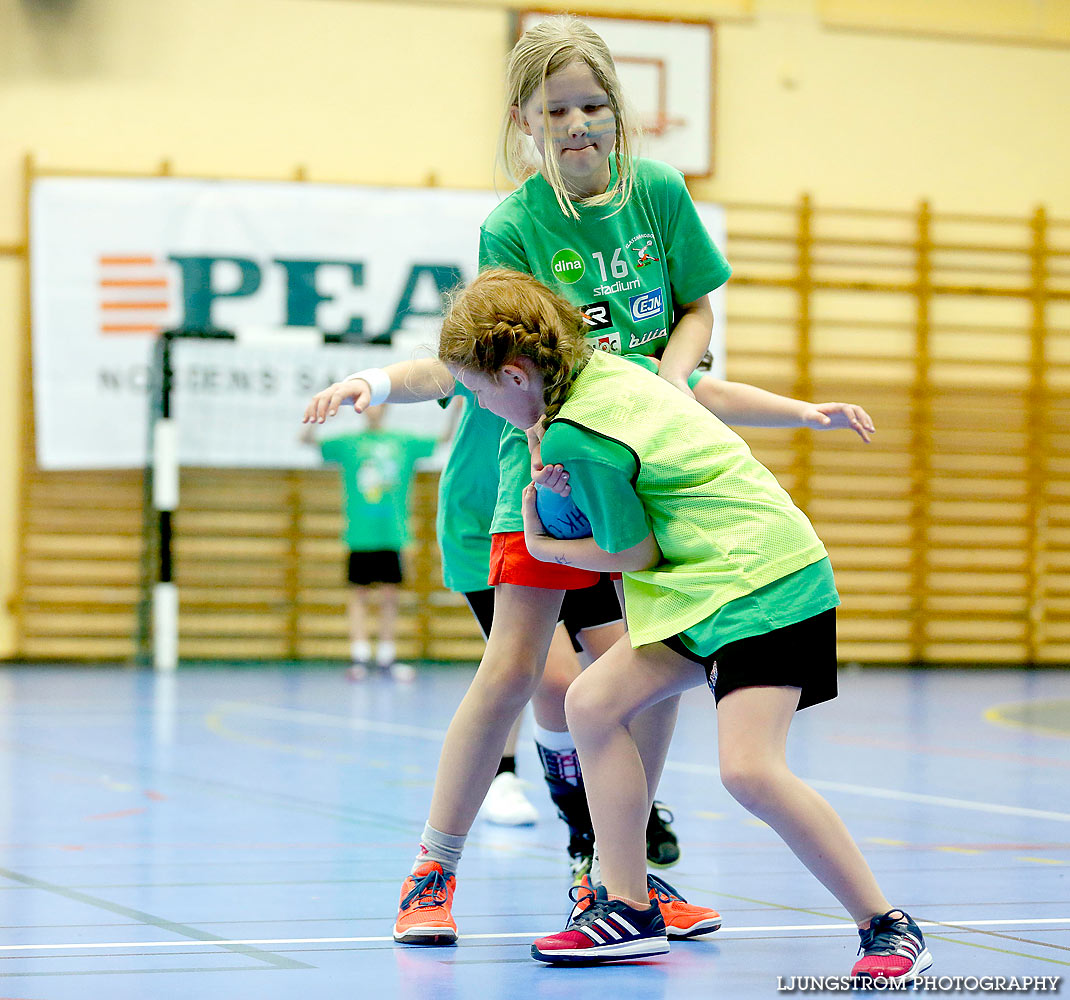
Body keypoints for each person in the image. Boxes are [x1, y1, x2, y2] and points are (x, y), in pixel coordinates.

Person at [303, 14, 875, 947]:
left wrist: (673, 374)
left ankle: (618, 881)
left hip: (629, 466)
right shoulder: (517, 224)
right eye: (555, 110)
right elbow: (474, 361)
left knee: (628, 681)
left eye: (592, 105)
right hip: (536, 474)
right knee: (522, 673)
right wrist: (375, 382)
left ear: (617, 110)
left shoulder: (656, 195)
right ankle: (431, 872)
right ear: (524, 122)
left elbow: (695, 313)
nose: (577, 124)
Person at [436, 266, 931, 983]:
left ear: (514, 375)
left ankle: (886, 923)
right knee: (591, 702)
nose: (478, 408)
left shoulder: (580, 434)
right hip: (703, 585)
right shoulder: (607, 370)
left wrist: (541, 536)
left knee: (749, 771)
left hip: (763, 584)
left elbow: (631, 550)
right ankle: (629, 910)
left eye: (475, 392)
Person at [300, 404, 435, 680]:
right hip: (359, 534)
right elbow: (305, 441)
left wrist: (457, 409)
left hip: (394, 533)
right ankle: (359, 656)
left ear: (386, 408)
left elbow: (443, 441)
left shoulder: (403, 441)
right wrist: (316, 417)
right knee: (359, 596)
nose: (374, 411)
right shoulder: (349, 443)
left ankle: (386, 656)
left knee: (389, 596)